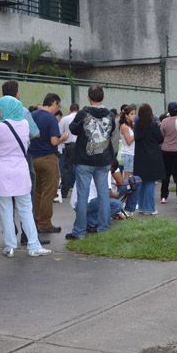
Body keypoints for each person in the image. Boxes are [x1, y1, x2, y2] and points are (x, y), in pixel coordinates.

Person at [0, 95, 51, 258]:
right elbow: (32, 135)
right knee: (26, 208)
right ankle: (33, 245)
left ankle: (9, 246)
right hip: (21, 170)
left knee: (6, 210)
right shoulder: (24, 124)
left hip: (2, 171)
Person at [66, 85, 116, 239]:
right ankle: (103, 229)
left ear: (88, 97)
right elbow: (111, 129)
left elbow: (73, 129)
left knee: (82, 196)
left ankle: (79, 232)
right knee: (103, 196)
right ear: (103, 97)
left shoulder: (83, 114)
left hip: (85, 160)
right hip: (103, 159)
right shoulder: (110, 115)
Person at [31, 93, 68, 235]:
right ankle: (45, 223)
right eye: (57, 105)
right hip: (48, 158)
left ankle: (36, 220)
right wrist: (62, 138)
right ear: (54, 103)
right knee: (49, 191)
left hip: (34, 158)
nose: (57, 109)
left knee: (38, 192)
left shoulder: (33, 115)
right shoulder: (51, 119)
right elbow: (54, 141)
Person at [132, 103, 164, 215]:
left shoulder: (136, 126)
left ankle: (141, 206)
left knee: (141, 181)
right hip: (152, 156)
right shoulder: (153, 125)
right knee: (150, 183)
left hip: (140, 156)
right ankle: (149, 208)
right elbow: (160, 139)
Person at [159, 102, 177, 204]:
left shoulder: (164, 122)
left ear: (168, 111)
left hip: (166, 150)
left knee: (165, 174)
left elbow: (161, 136)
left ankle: (164, 196)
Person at [59, 102, 80, 200]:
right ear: (78, 110)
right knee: (80, 167)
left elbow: (61, 132)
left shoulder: (65, 119)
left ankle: (64, 191)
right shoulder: (81, 118)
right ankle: (80, 190)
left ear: (70, 110)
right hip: (80, 145)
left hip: (68, 145)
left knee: (67, 168)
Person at [118, 106, 136, 178]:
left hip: (131, 153)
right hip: (127, 153)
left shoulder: (131, 126)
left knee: (130, 176)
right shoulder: (124, 127)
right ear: (126, 115)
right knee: (128, 176)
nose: (134, 116)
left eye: (134, 114)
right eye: (131, 114)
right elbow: (129, 141)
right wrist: (136, 133)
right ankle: (125, 189)